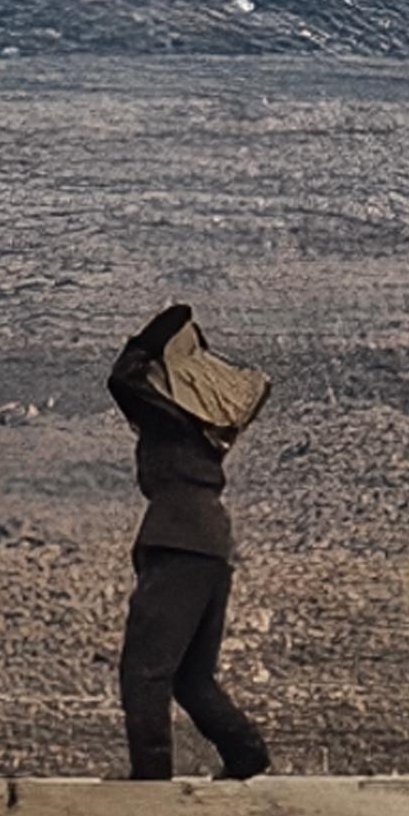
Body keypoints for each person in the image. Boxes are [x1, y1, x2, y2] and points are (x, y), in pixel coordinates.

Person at [107, 302, 272, 782]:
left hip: (177, 538)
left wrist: (154, 335)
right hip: (210, 542)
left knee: (144, 671)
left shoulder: (171, 417)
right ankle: (245, 752)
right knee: (191, 677)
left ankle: (151, 780)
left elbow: (122, 378)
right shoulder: (207, 430)